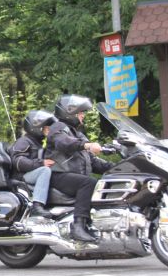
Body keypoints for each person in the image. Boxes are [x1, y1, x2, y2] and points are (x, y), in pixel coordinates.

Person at [45, 94, 114, 242]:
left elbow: (93, 162)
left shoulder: (78, 134)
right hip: (58, 174)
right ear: (70, 113)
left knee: (101, 183)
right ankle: (78, 227)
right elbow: (63, 142)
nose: (83, 115)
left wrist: (118, 168)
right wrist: (87, 145)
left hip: (71, 176)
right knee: (88, 183)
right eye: (80, 112)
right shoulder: (58, 128)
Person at [9, 110, 56, 219]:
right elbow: (18, 161)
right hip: (22, 176)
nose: (48, 128)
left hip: (30, 175)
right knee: (45, 170)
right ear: (36, 127)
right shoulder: (24, 141)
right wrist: (41, 163)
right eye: (45, 126)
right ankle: (37, 206)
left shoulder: (36, 142)